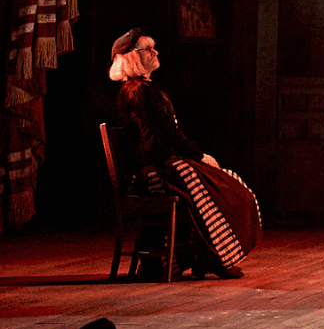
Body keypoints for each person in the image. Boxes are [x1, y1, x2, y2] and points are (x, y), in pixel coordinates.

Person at [111, 29, 261, 280]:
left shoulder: (145, 89)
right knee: (221, 190)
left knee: (226, 184)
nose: (155, 52)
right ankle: (212, 258)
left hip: (164, 163)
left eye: (153, 46)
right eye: (148, 49)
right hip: (156, 169)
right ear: (133, 58)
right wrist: (199, 156)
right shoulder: (137, 91)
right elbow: (166, 134)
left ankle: (209, 257)